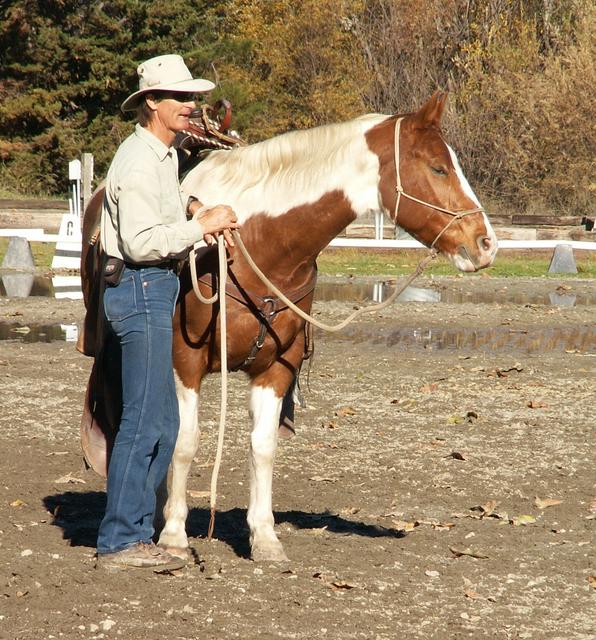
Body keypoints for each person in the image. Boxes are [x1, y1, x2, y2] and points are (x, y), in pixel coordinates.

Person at [95, 54, 239, 572]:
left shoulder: (161, 155)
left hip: (151, 288)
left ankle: (137, 530)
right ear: (152, 102)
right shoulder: (138, 161)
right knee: (144, 419)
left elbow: (163, 205)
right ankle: (120, 539)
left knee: (162, 419)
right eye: (180, 97)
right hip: (140, 286)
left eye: (192, 97)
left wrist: (193, 207)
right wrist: (202, 228)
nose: (190, 106)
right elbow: (139, 241)